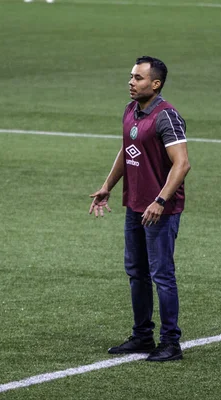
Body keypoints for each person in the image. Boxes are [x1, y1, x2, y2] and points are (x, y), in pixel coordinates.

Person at [89, 56, 191, 362]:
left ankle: (170, 342)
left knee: (162, 274)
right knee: (137, 272)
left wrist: (160, 201)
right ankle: (142, 335)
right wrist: (108, 185)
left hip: (160, 210)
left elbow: (182, 163)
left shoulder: (166, 116)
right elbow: (127, 150)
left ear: (155, 84)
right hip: (135, 206)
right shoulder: (131, 111)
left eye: (139, 78)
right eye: (131, 77)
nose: (131, 82)